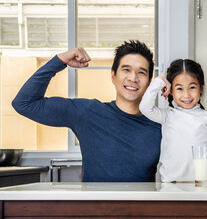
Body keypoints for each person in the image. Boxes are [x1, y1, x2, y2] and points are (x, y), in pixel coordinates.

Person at [12, 40, 162, 182]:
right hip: (93, 208)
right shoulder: (88, 112)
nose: (133, 78)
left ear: (150, 81)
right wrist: (60, 60)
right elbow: (24, 103)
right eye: (126, 70)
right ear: (113, 75)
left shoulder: (161, 125)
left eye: (141, 72)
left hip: (142, 208)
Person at [139, 59, 207, 183]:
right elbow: (145, 107)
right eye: (179, 88)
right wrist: (160, 81)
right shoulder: (167, 115)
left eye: (192, 87)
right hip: (171, 186)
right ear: (171, 91)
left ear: (201, 88)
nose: (186, 95)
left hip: (202, 185)